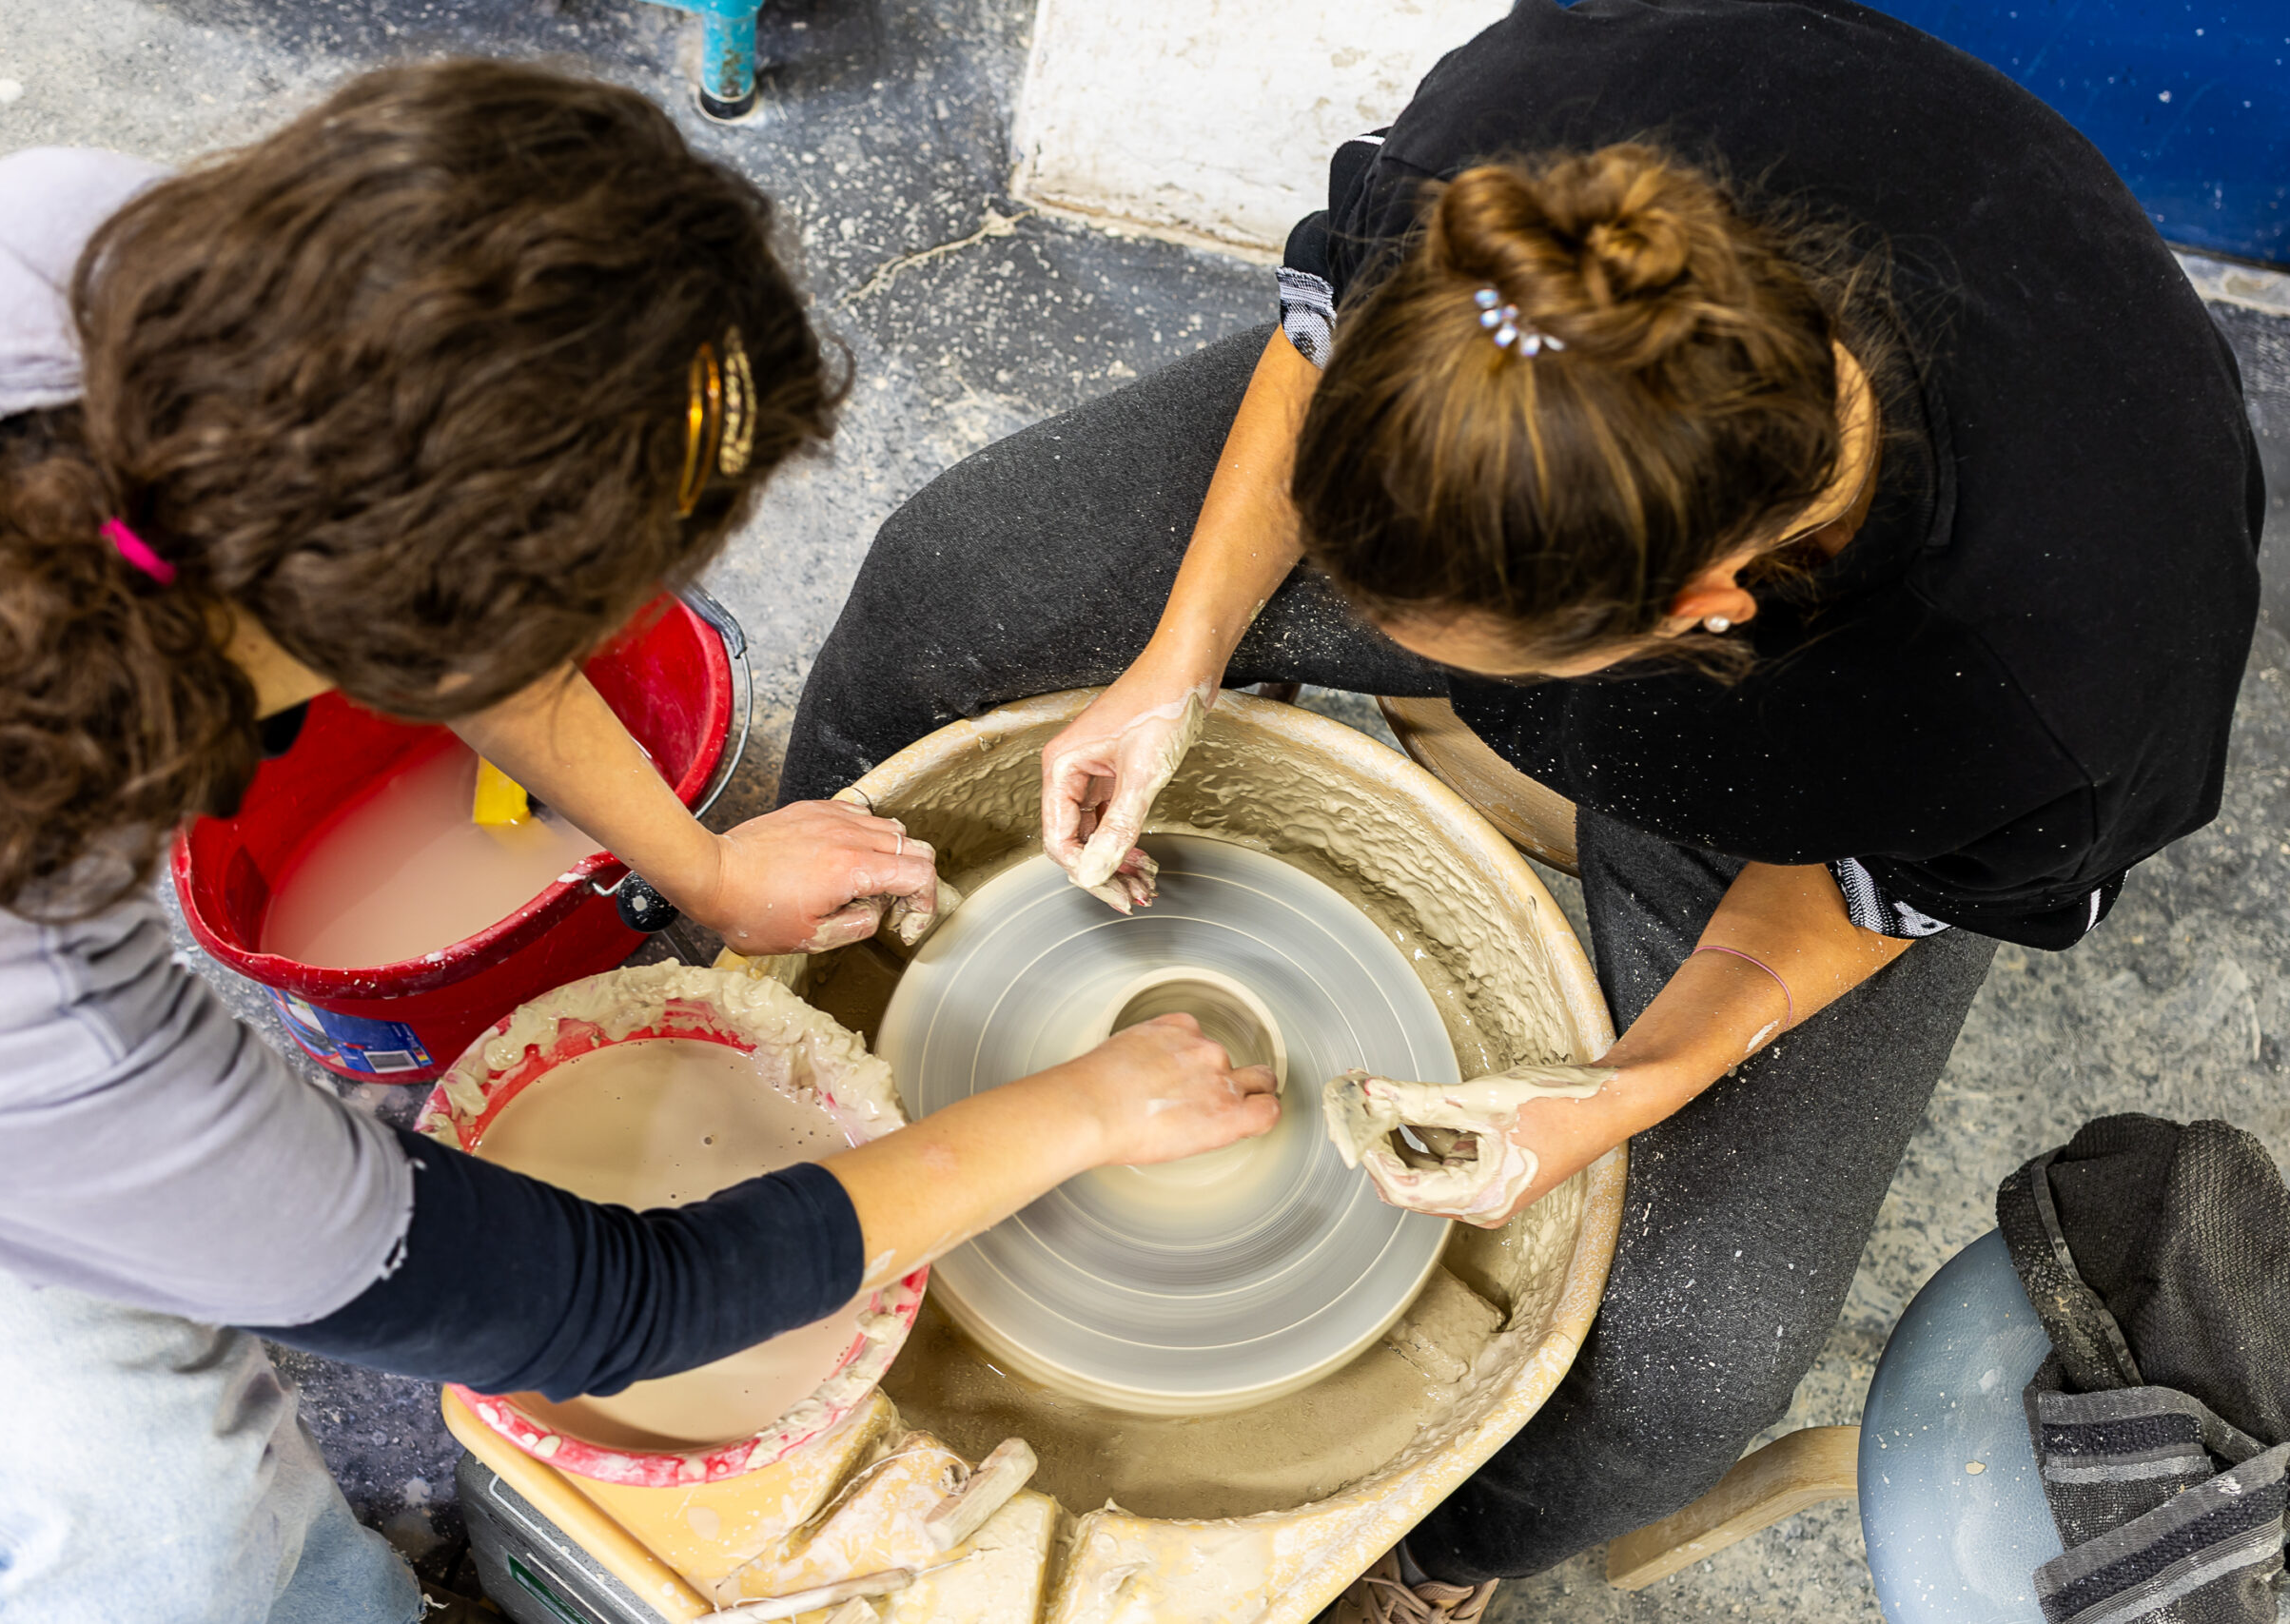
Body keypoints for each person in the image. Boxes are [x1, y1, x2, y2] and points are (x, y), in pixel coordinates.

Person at [782, 0, 2261, 1614]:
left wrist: (1631, 1085)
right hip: (1520, 481)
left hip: (1814, 802)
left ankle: (1421, 1552)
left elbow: (1871, 884)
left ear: (1705, 610)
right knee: (949, 605)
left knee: (1690, 1361)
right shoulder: (1533, 147)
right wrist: (1173, 659)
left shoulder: (2059, 688)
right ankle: (796, 1004)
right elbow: (1316, 356)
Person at [0, 61, 1278, 1624]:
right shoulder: (51, 1043)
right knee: (138, 1545)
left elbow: (448, 587)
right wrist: (1084, 1106)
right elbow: (620, 1298)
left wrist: (708, 868)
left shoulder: (86, 262)